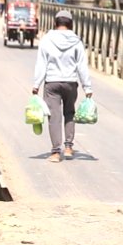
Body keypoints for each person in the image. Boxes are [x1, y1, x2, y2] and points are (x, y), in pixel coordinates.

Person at [32, 10, 93, 163]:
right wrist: (87, 87)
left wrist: (36, 84)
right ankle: (68, 147)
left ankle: (55, 152)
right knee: (69, 113)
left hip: (52, 82)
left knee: (54, 116)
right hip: (70, 83)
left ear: (55, 23)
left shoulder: (46, 40)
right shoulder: (77, 41)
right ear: (70, 24)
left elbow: (41, 63)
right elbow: (82, 66)